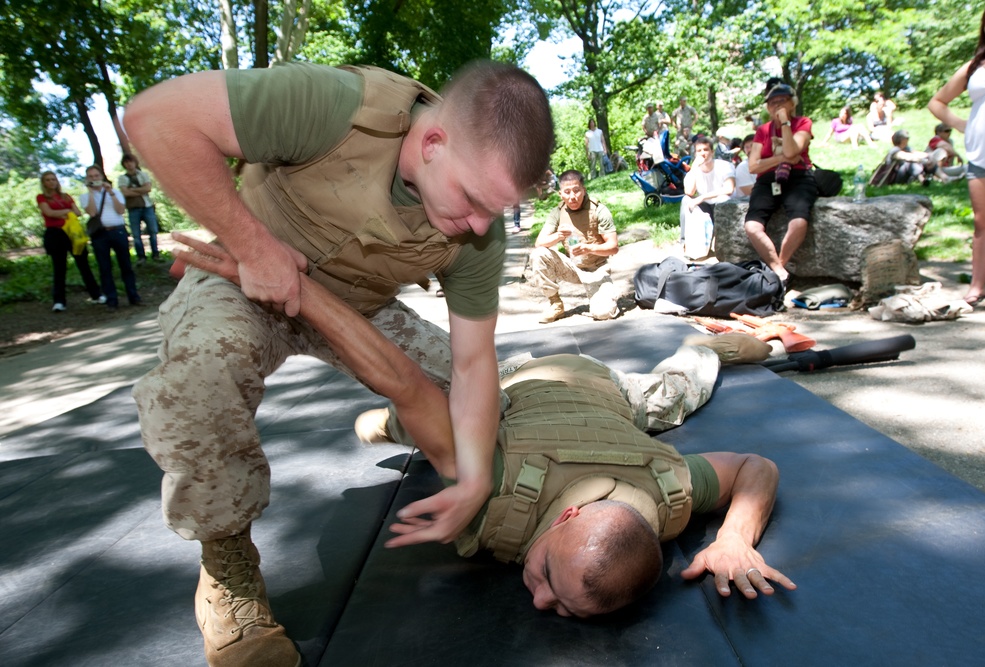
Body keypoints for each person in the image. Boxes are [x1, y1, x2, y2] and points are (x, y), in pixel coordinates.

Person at [124, 59, 553, 667]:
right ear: (432, 143)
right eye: (475, 202)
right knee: (201, 372)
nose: (481, 226)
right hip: (245, 279)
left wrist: (475, 479)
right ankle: (228, 571)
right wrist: (252, 246)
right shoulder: (335, 106)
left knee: (483, 416)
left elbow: (475, 365)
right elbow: (154, 118)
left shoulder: (478, 228)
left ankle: (397, 424)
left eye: (497, 212)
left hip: (361, 309)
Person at [174, 232, 793, 620]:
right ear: (571, 519)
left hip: (609, 395)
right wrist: (297, 291)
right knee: (423, 419)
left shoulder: (670, 496)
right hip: (521, 384)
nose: (541, 600)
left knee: (681, 387)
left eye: (562, 609)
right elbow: (413, 391)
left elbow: (756, 470)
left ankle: (717, 346)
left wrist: (735, 538)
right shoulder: (499, 484)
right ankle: (384, 430)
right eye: (551, 577)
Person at [929, 0, 985, 306]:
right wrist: (963, 125)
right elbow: (937, 102)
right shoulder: (975, 65)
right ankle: (977, 286)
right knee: (984, 222)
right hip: (984, 154)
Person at [745, 83, 818, 283]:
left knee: (799, 221)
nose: (777, 106)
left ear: (792, 103)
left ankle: (779, 269)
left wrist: (785, 123)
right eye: (772, 103)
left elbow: (792, 150)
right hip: (768, 180)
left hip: (798, 176)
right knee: (752, 225)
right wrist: (782, 159)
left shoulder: (803, 122)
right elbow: (753, 166)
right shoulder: (763, 130)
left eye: (782, 101)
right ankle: (780, 272)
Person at [530, 170, 619, 323]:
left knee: (603, 313)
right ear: (560, 194)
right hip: (572, 267)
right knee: (538, 254)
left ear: (584, 190)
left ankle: (604, 292)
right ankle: (555, 303)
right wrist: (558, 235)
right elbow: (539, 243)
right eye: (567, 192)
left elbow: (613, 247)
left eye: (577, 191)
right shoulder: (557, 212)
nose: (572, 197)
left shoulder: (599, 210)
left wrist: (589, 248)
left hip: (596, 269)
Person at [35, 171, 104, 311]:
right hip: (55, 234)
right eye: (48, 180)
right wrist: (67, 211)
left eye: (53, 179)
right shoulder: (42, 197)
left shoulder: (65, 196)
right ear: (44, 183)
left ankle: (96, 295)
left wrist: (65, 211)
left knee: (83, 264)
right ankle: (59, 301)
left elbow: (78, 212)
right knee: (59, 268)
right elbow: (49, 213)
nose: (51, 182)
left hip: (72, 233)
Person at [80, 164, 141, 310]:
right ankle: (111, 300)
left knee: (126, 265)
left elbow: (120, 210)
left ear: (102, 177)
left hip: (118, 231)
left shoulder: (115, 192)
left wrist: (110, 192)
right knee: (105, 268)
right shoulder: (84, 196)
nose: (94, 179)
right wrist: (90, 191)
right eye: (91, 177)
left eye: (96, 176)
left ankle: (134, 297)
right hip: (100, 234)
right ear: (87, 179)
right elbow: (92, 212)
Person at [681, 137, 736, 258]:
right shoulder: (695, 169)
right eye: (699, 151)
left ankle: (724, 245)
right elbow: (689, 191)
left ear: (712, 151)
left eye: (706, 150)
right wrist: (694, 168)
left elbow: (729, 189)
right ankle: (686, 243)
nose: (703, 153)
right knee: (686, 200)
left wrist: (702, 197)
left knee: (723, 200)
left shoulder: (724, 166)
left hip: (723, 203)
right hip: (706, 205)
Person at [117, 154, 161, 264]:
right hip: (133, 208)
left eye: (131, 161)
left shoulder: (143, 174)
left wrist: (132, 190)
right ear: (124, 164)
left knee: (153, 231)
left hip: (147, 206)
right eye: (126, 162)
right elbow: (124, 192)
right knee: (136, 234)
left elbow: (148, 188)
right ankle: (141, 257)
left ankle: (156, 254)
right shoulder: (122, 178)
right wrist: (141, 190)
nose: (129, 164)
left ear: (135, 162)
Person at [734, 134, 758, 199]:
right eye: (746, 147)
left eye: (752, 146)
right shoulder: (742, 167)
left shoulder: (767, 162)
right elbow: (750, 192)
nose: (749, 149)